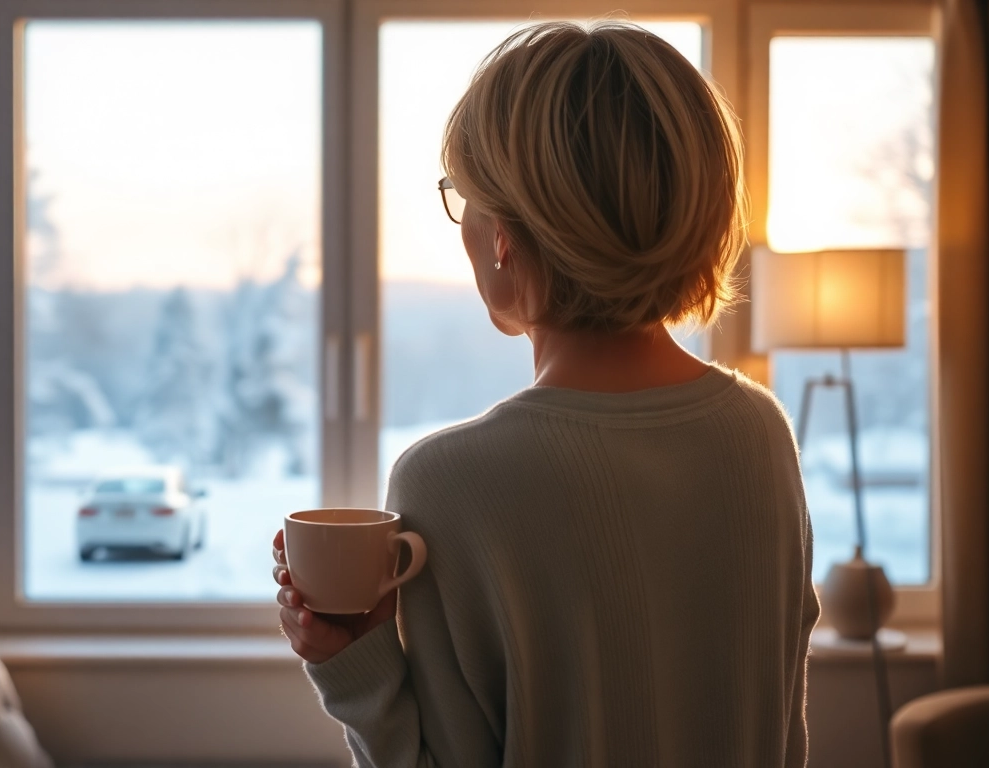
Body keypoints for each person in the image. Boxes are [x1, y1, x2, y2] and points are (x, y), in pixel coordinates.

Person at [271, 19, 819, 768]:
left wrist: (355, 665)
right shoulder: (759, 434)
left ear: (503, 237)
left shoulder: (451, 483)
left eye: (463, 201)